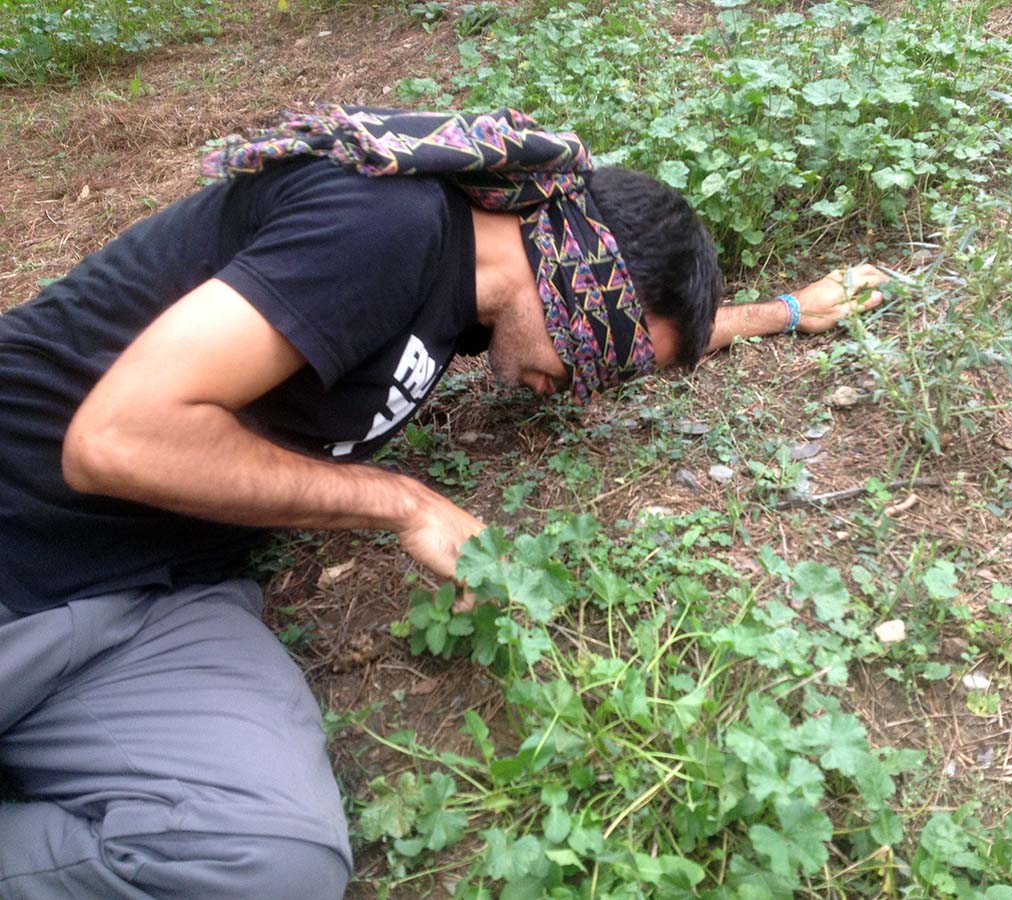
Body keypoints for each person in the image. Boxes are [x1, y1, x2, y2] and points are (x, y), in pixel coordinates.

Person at [0, 106, 885, 899]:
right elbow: (118, 440)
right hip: (19, 542)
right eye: (595, 360)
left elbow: (634, 329)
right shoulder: (383, 226)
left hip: (158, 598)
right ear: (569, 273)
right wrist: (404, 504)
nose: (587, 389)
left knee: (274, 860)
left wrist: (782, 312)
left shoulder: (479, 290)